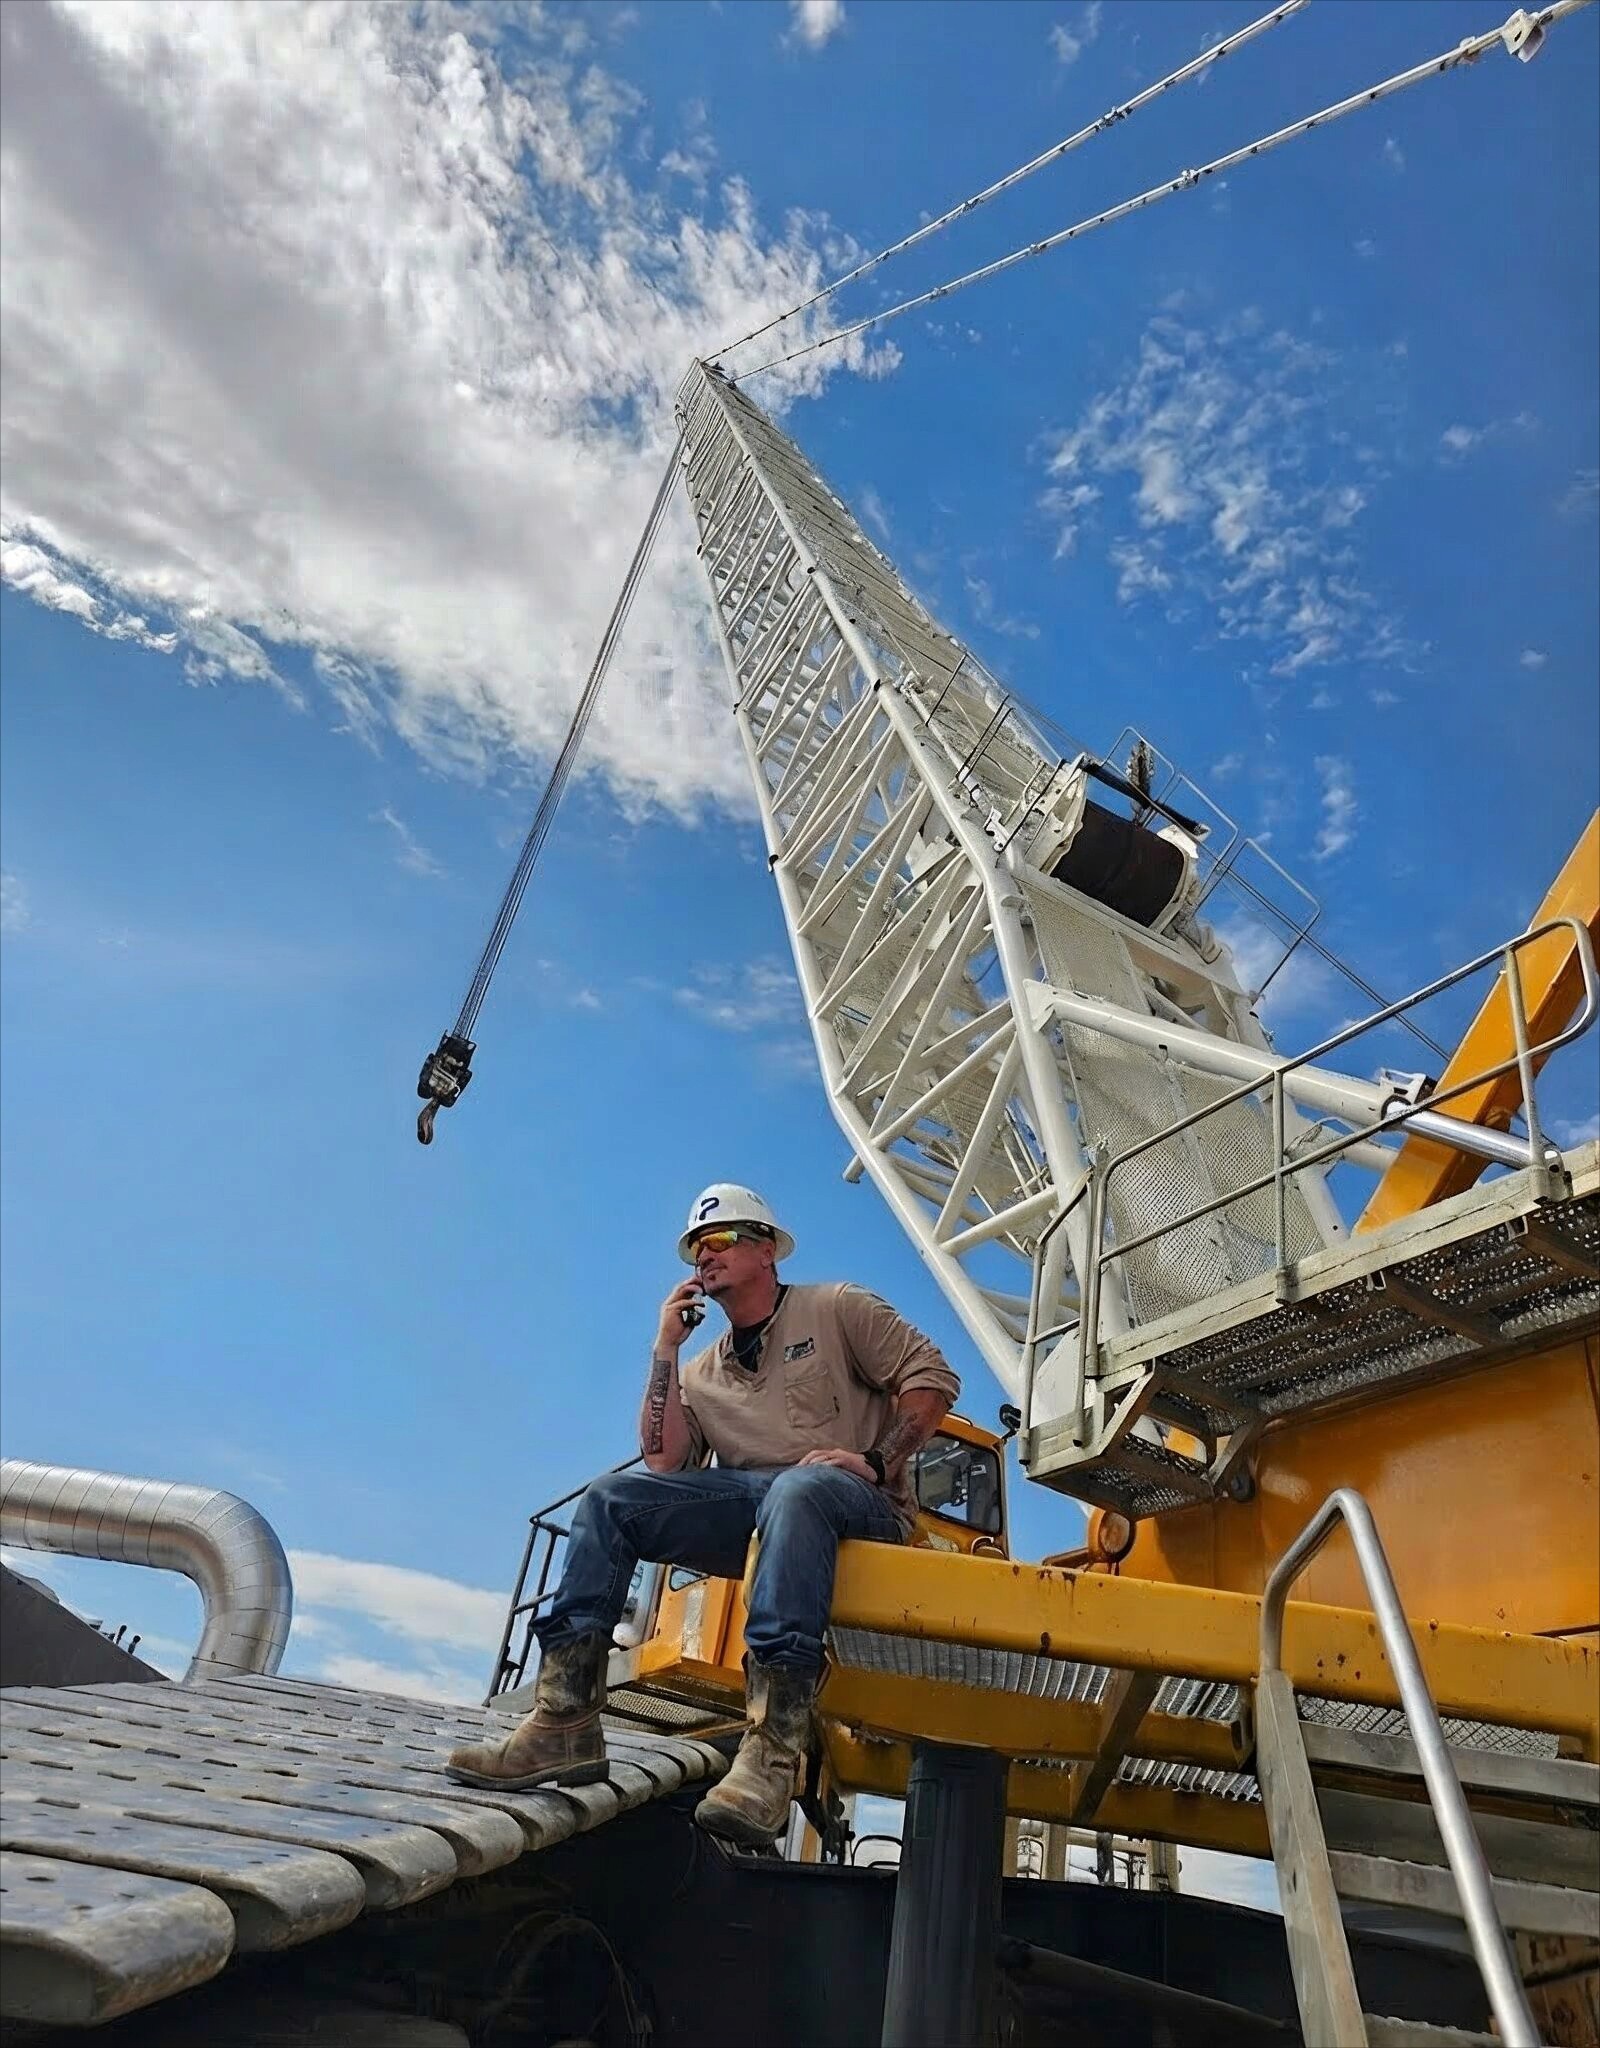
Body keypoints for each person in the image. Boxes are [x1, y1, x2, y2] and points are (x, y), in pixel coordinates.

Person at [446, 1182, 960, 1847]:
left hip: (859, 1506)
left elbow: (933, 1377)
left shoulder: (837, 1307)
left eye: (718, 1240)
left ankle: (773, 1750)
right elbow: (664, 1461)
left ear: (767, 1249)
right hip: (761, 1511)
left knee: (798, 1489)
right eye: (695, 1248)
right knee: (609, 1498)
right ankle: (564, 1720)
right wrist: (666, 1349)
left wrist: (874, 1458)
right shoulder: (701, 1372)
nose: (703, 1257)